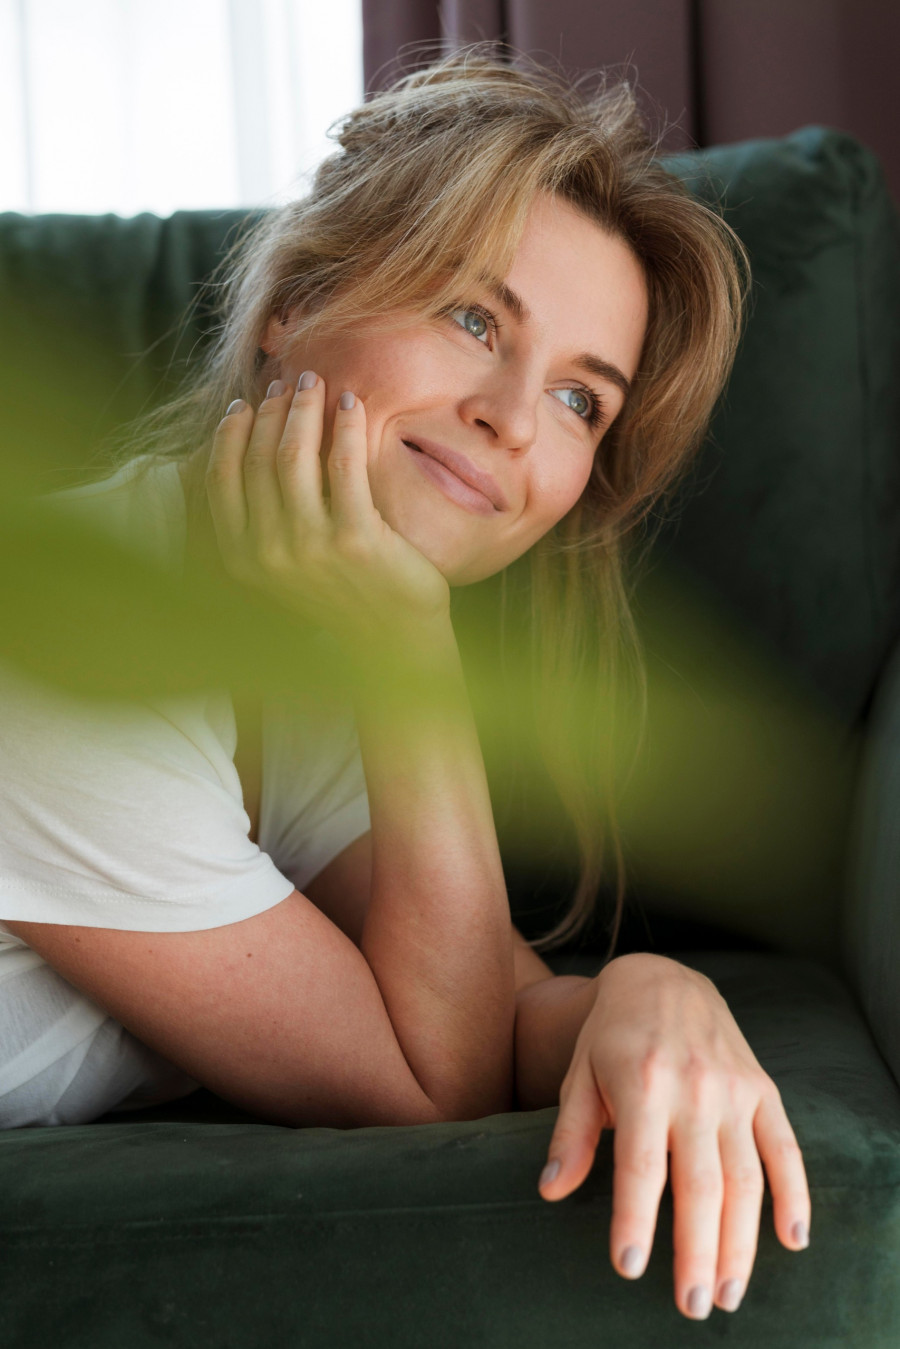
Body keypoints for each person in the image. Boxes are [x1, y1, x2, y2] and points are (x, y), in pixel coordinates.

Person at [0, 49, 810, 1321]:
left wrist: (661, 990)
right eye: (475, 319)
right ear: (299, 299)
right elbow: (434, 1084)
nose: (513, 420)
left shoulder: (301, 627)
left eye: (580, 399)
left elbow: (467, 1003)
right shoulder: (65, 644)